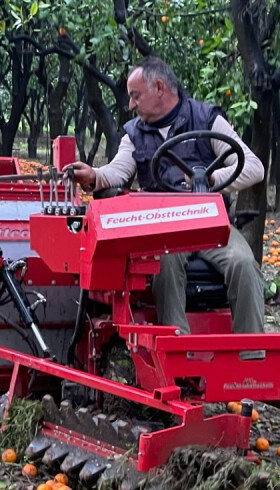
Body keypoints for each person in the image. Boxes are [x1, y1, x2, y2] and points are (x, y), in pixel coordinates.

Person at [64, 56, 267, 338]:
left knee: (244, 263)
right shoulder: (135, 132)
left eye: (135, 96)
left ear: (159, 87)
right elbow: (118, 170)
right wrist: (94, 175)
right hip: (166, 229)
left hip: (211, 225)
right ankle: (176, 344)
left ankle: (251, 356)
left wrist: (210, 180)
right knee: (165, 263)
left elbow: (254, 167)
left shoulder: (207, 119)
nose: (130, 105)